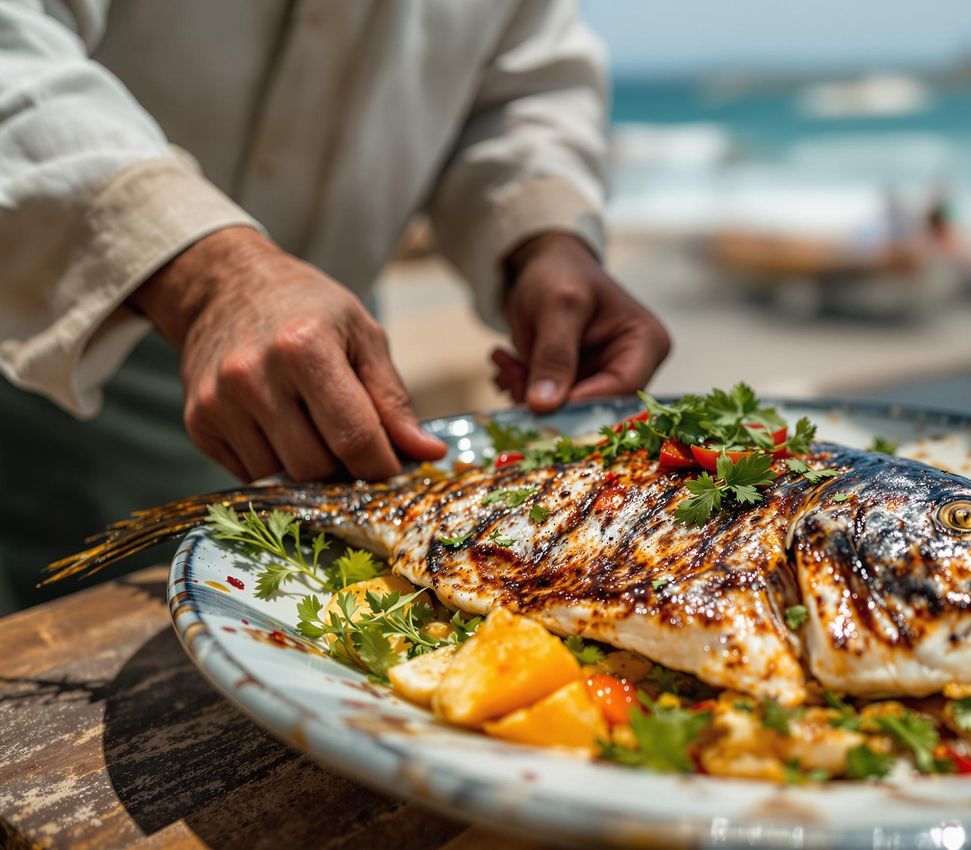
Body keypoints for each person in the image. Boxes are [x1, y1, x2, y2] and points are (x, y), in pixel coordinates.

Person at [0, 1, 671, 613]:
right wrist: (210, 274)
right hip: (53, 351)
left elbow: (519, 83)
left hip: (342, 374)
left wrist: (543, 234)